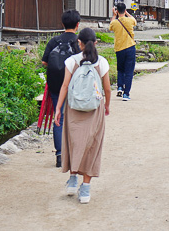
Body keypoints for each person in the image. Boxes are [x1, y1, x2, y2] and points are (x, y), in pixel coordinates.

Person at [55, 27, 111, 204]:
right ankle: (85, 189)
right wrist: (107, 105)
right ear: (95, 43)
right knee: (92, 145)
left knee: (74, 142)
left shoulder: (72, 61)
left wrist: (58, 109)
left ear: (79, 43)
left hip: (74, 108)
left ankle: (73, 179)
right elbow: (107, 88)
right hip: (94, 108)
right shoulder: (101, 62)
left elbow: (64, 86)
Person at [41, 9, 81, 167]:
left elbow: (44, 62)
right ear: (77, 25)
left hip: (56, 84)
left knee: (59, 118)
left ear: (62, 23)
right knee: (75, 118)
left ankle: (59, 155)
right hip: (75, 85)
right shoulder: (78, 42)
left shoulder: (54, 41)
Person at [110, 2, 137, 101]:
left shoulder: (115, 22)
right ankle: (126, 94)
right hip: (130, 47)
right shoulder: (130, 20)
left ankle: (120, 87)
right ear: (125, 10)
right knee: (129, 71)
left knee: (120, 69)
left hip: (119, 49)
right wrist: (127, 13)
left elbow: (110, 26)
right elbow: (135, 20)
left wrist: (114, 15)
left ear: (117, 11)